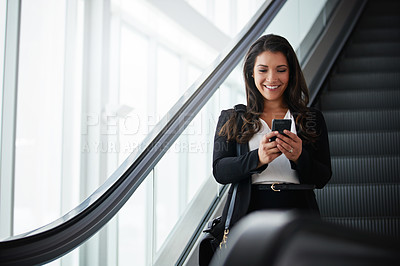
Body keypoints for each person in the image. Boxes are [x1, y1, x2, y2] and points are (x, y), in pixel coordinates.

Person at [212, 34, 332, 232]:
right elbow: (220, 171)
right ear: (251, 73)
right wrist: (258, 158)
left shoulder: (311, 118)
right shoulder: (233, 117)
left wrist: (300, 157)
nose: (272, 78)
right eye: (263, 70)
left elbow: (323, 177)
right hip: (248, 215)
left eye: (281, 70)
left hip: (298, 214)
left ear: (291, 73)